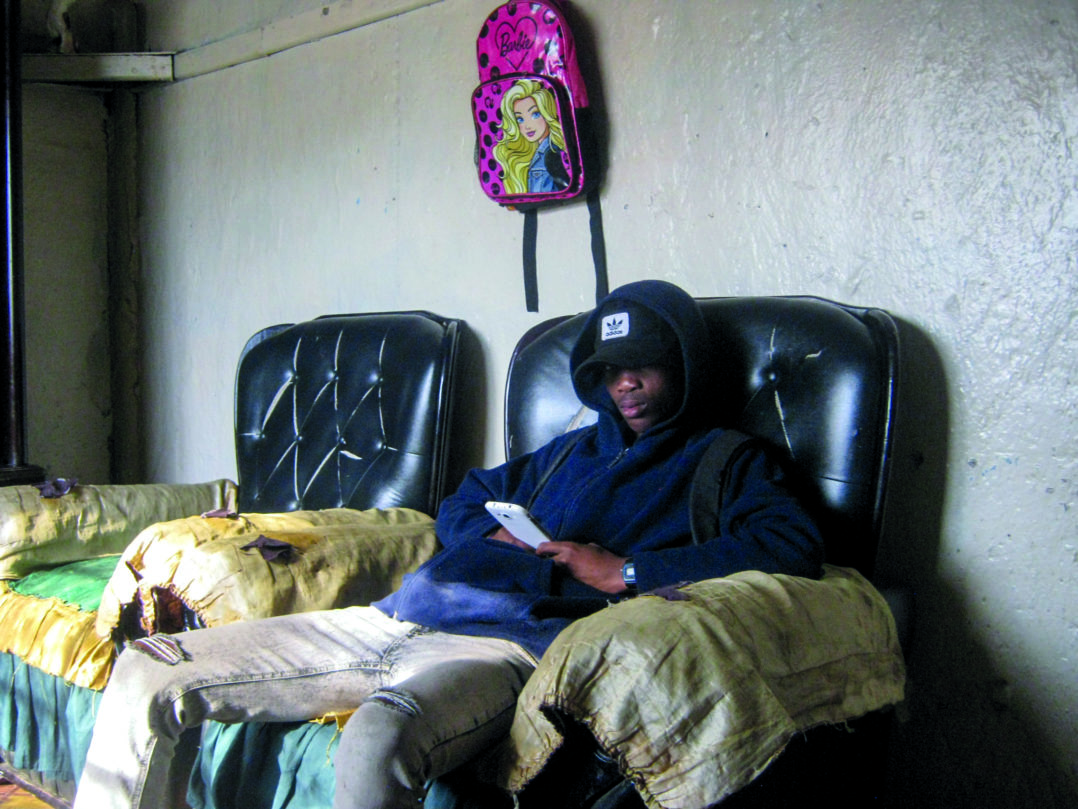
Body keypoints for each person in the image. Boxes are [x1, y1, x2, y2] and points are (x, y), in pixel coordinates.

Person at [73, 280, 823, 809]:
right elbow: (464, 495)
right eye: (610, 370)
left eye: (646, 366)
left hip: (504, 649)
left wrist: (624, 568)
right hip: (399, 614)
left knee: (374, 743)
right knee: (148, 670)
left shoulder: (728, 460)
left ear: (685, 366)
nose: (626, 384)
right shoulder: (565, 451)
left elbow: (792, 545)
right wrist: (489, 528)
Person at [493, 78, 570, 194]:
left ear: (547, 113)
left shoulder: (551, 155)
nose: (527, 126)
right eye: (520, 119)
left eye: (535, 114)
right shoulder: (539, 153)